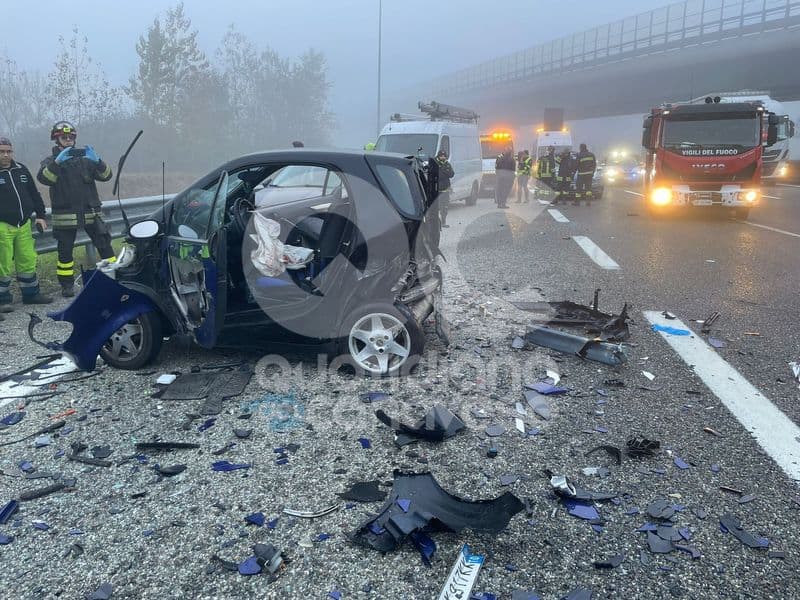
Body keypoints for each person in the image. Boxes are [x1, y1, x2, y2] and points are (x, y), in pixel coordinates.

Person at [37, 121, 115, 297]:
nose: (68, 140)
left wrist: (98, 161)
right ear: (56, 139)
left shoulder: (86, 160)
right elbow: (45, 179)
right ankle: (67, 285)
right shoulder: (50, 161)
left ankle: (115, 276)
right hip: (65, 216)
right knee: (65, 253)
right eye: (64, 137)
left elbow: (106, 176)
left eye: (71, 137)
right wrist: (57, 163)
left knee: (105, 247)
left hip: (91, 213)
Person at [0, 137, 53, 307]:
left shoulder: (21, 169)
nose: (5, 155)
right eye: (2, 152)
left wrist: (41, 215)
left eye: (8, 151)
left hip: (23, 224)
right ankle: (2, 301)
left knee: (27, 260)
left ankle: (31, 295)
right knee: (2, 264)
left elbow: (34, 193)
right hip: (3, 226)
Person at [434, 149, 454, 227]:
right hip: (437, 190)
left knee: (445, 207)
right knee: (436, 207)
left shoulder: (447, 164)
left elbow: (451, 174)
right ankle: (435, 223)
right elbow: (436, 175)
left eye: (444, 156)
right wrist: (444, 173)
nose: (443, 157)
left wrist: (444, 171)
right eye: (441, 156)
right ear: (438, 156)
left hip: (445, 190)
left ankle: (443, 222)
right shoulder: (435, 164)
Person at [494, 144, 515, 209]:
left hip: (500, 177)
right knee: (506, 191)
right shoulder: (512, 159)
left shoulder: (500, 158)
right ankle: (503, 203)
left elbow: (496, 167)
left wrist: (498, 175)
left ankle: (499, 204)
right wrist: (513, 178)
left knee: (500, 190)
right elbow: (513, 170)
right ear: (510, 152)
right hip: (508, 178)